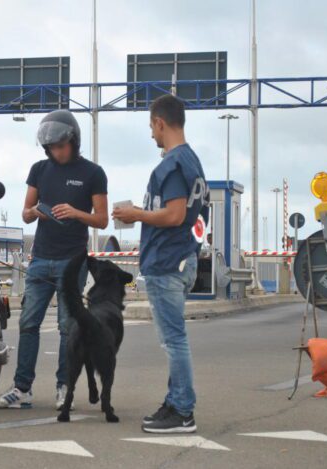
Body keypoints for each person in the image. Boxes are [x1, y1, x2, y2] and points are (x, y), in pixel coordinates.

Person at [0, 110, 108, 410]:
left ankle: (63, 386)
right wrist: (32, 213)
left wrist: (76, 213)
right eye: (51, 148)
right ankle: (21, 388)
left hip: (73, 261)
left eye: (61, 146)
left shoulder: (93, 173)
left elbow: (102, 220)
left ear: (73, 141)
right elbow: (26, 212)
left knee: (68, 326)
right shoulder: (39, 170)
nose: (56, 152)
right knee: (28, 323)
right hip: (40, 258)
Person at [113, 94, 209, 433]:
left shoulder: (172, 164)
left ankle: (182, 411)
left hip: (167, 261)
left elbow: (174, 214)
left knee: (174, 339)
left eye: (151, 127)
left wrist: (135, 214)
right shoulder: (192, 161)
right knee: (174, 337)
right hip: (182, 257)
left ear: (160, 123)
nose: (152, 134)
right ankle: (176, 400)